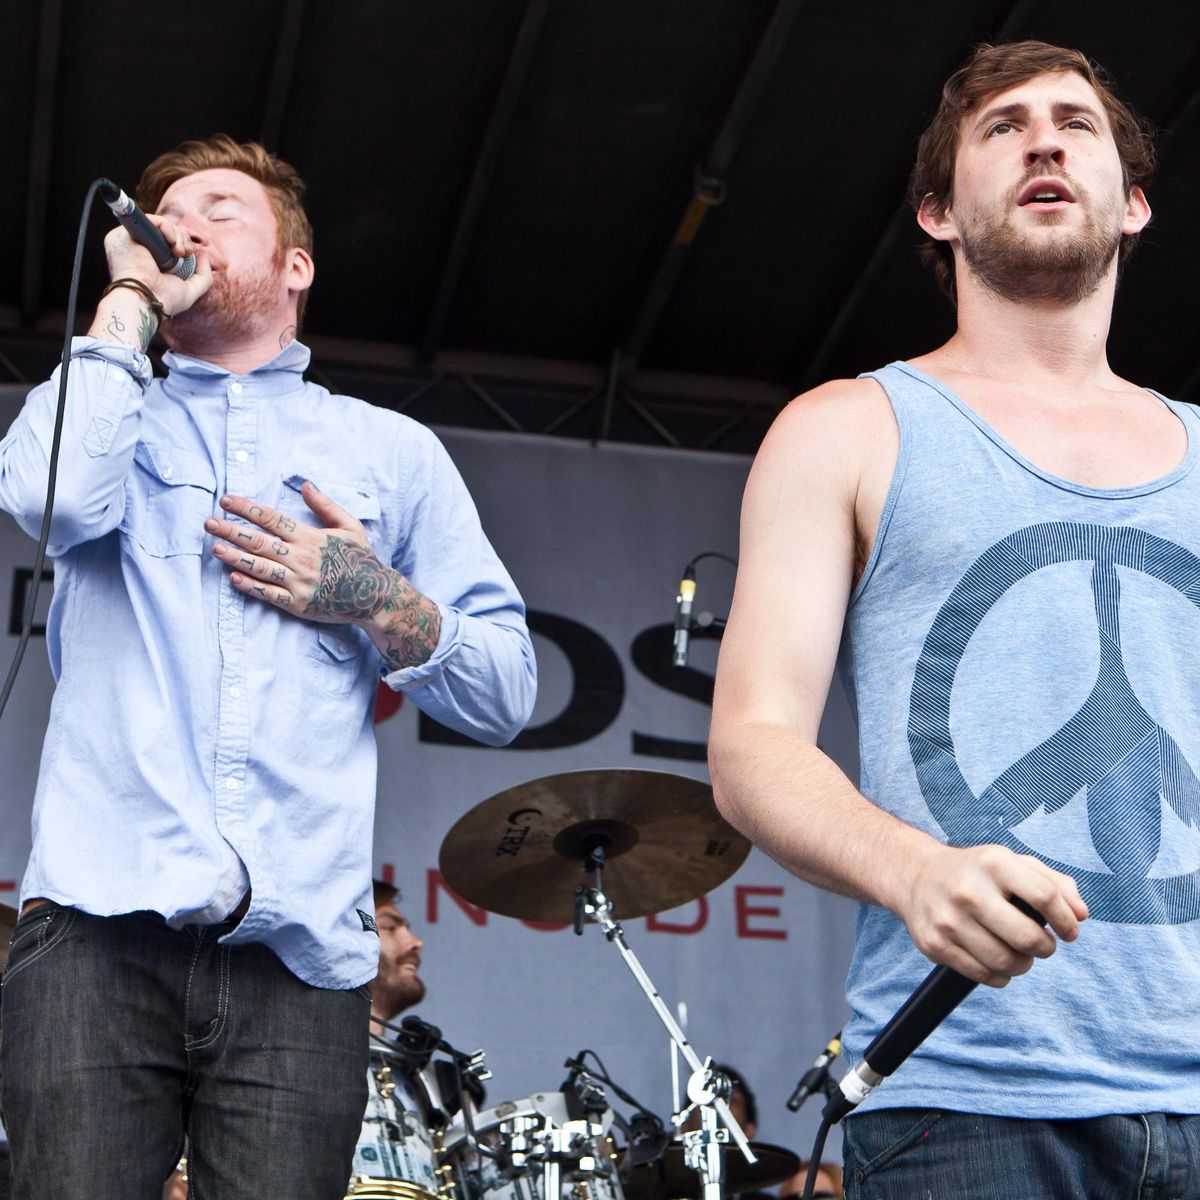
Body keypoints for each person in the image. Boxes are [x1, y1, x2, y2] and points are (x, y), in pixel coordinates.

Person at [0, 135, 536, 1200]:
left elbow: (506, 691)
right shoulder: (109, 405)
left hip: (301, 958)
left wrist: (374, 595)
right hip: (98, 932)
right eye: (165, 214)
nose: (181, 225)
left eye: (219, 209)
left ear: (296, 266)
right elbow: (48, 498)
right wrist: (128, 302)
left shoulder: (391, 451)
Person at [709, 40, 1200, 1197]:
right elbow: (752, 744)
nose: (1044, 142)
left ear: (1133, 204)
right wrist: (917, 873)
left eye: (1076, 124)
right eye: (1004, 128)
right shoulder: (847, 428)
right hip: (967, 1099)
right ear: (938, 212)